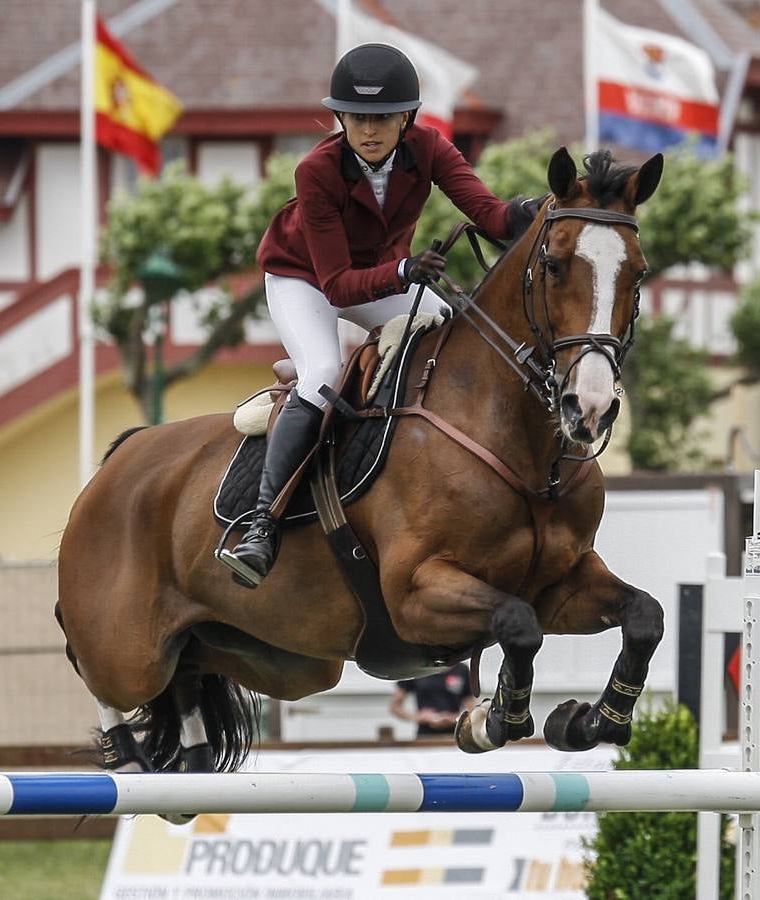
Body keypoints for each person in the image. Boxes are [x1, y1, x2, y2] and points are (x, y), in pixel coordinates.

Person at [219, 42, 540, 589]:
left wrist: (535, 212)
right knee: (321, 372)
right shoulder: (316, 171)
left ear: (407, 118)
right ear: (341, 117)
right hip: (305, 280)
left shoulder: (431, 148)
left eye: (383, 118)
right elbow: (338, 285)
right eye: (358, 117)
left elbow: (488, 212)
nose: (369, 130)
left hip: (385, 273)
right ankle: (262, 524)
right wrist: (405, 270)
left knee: (448, 325)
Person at [391, 663, 477, 738]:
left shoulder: (461, 670)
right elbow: (395, 706)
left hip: (454, 735)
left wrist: (456, 718)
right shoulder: (416, 669)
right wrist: (419, 717)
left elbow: (471, 708)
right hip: (425, 736)